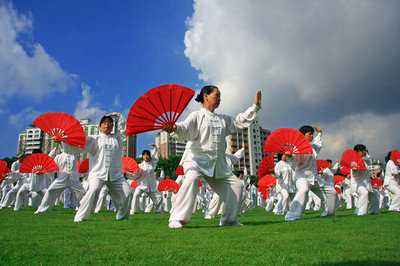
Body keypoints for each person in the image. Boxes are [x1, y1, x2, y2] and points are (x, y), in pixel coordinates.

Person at [166, 85, 262, 228]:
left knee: (237, 186)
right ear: (205, 96)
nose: (219, 99)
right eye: (216, 96)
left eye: (220, 97)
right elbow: (184, 129)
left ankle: (228, 220)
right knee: (191, 179)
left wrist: (254, 107)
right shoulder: (196, 116)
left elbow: (238, 122)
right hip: (196, 161)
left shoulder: (223, 119)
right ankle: (177, 218)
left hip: (217, 164)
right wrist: (173, 128)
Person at [74, 113, 131, 222]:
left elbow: (123, 131)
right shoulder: (94, 139)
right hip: (98, 174)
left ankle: (122, 216)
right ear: (99, 126)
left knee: (128, 193)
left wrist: (119, 116)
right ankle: (80, 216)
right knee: (93, 190)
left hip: (115, 174)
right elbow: (80, 142)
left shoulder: (117, 139)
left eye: (110, 123)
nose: (107, 125)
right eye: (104, 123)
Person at [285, 126, 336, 221]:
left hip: (315, 178)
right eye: (310, 134)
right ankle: (291, 215)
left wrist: (320, 133)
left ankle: (328, 212)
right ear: (302, 135)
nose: (312, 136)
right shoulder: (296, 149)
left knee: (332, 192)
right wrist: (290, 157)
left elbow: (318, 143)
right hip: (302, 177)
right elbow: (295, 164)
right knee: (304, 189)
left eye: (312, 134)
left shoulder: (313, 147)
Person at [35, 143, 85, 214]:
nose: (67, 146)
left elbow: (79, 148)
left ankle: (83, 208)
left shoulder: (74, 154)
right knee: (50, 191)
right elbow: (51, 166)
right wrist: (42, 171)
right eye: (65, 144)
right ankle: (41, 209)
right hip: (62, 178)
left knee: (82, 193)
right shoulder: (58, 156)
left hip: (73, 178)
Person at [128, 146, 162, 215]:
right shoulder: (140, 165)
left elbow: (155, 156)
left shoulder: (153, 163)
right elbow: (135, 174)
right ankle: (133, 210)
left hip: (151, 186)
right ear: (142, 156)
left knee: (157, 199)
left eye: (147, 155)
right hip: (142, 185)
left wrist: (155, 149)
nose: (146, 156)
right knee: (136, 195)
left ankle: (158, 211)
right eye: (144, 155)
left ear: (149, 156)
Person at [350, 144, 379, 216]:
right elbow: (354, 172)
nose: (365, 152)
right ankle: (361, 213)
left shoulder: (366, 159)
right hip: (357, 183)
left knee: (374, 194)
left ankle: (373, 211)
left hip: (366, 183)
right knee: (364, 193)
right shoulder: (354, 160)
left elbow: (368, 158)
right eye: (363, 150)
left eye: (365, 150)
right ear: (359, 151)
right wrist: (355, 169)